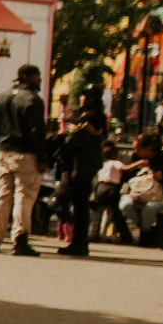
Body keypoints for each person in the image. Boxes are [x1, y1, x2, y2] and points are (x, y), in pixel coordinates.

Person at [0, 64, 47, 257]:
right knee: (24, 196)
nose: (39, 81)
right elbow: (38, 131)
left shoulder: (2, 97)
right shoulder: (33, 100)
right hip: (25, 153)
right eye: (37, 77)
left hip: (3, 152)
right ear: (28, 77)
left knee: (3, 194)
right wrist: (42, 156)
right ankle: (19, 239)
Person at [51, 92, 107, 257]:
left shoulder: (93, 119)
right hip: (75, 167)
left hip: (81, 168)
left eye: (87, 98)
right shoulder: (82, 117)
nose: (82, 101)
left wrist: (64, 139)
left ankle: (79, 241)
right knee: (75, 205)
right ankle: (78, 240)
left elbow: (73, 140)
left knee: (72, 204)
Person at [116, 132, 163, 247]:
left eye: (138, 149)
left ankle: (146, 233)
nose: (135, 152)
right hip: (137, 193)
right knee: (126, 205)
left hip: (159, 196)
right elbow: (127, 179)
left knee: (148, 209)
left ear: (148, 148)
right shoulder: (135, 159)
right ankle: (147, 229)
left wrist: (160, 177)